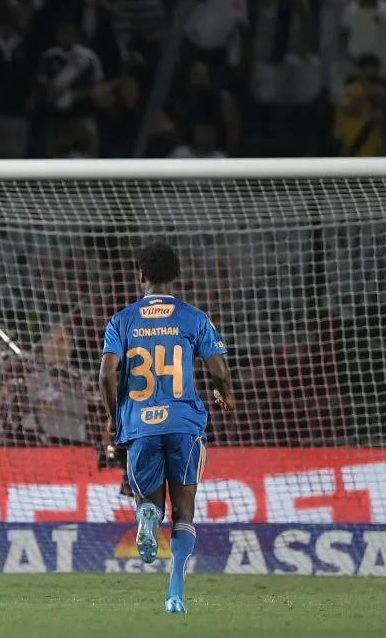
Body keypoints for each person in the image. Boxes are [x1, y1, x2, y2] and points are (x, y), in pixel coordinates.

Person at [98, 244, 234, 614]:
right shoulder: (193, 317)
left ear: (140, 275)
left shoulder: (122, 321)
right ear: (175, 277)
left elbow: (107, 376)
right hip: (183, 423)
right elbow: (219, 371)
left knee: (151, 504)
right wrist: (225, 396)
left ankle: (147, 517)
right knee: (185, 510)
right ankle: (175, 591)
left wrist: (117, 416)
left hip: (140, 424)